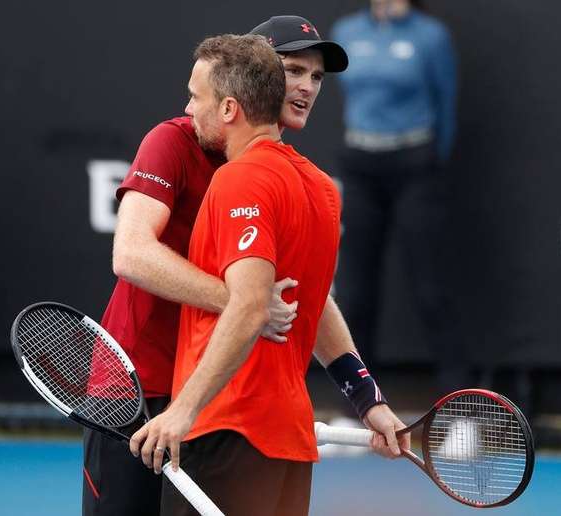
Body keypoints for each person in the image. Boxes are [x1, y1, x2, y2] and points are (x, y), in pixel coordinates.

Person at [84, 15, 403, 516]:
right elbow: (132, 254)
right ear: (253, 72)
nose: (305, 88)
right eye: (294, 70)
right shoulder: (173, 141)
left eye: (316, 77)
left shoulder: (286, 173)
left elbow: (302, 297)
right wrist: (247, 303)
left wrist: (366, 396)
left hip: (213, 401)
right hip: (138, 386)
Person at [330, 0, 467, 392]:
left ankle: (461, 405)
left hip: (414, 165)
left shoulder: (430, 35)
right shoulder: (346, 32)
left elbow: (446, 106)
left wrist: (426, 159)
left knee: (430, 288)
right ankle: (357, 402)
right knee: (356, 291)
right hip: (360, 165)